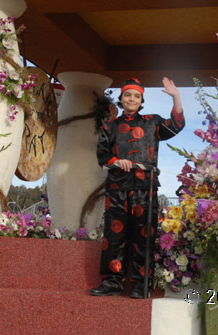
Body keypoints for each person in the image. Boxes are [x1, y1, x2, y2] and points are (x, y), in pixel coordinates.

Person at [91, 77, 185, 298]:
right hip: (116, 188)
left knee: (143, 237)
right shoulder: (109, 126)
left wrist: (176, 96)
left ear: (141, 100)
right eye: (127, 95)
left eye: (136, 96)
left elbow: (176, 126)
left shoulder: (152, 122)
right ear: (121, 99)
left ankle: (140, 284)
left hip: (145, 187)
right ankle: (112, 281)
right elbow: (102, 155)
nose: (131, 99)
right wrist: (116, 161)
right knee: (113, 236)